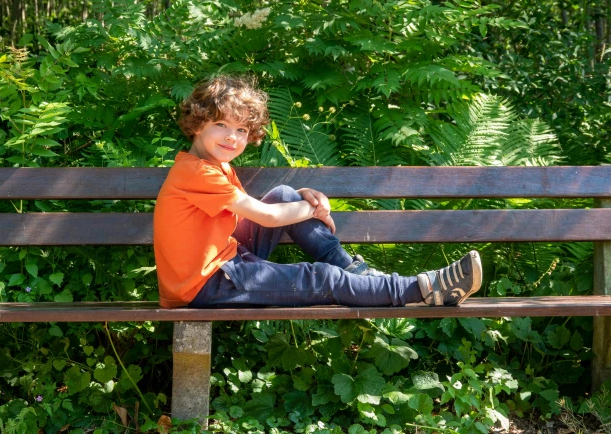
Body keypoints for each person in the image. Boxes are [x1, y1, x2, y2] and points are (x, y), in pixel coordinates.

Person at [153, 75, 482, 309]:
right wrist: (314, 208)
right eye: (221, 125)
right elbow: (268, 217)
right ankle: (422, 289)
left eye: (241, 130)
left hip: (226, 262)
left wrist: (300, 196)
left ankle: (355, 271)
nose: (233, 138)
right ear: (197, 124)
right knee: (322, 279)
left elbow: (246, 217)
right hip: (204, 285)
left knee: (284, 193)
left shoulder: (214, 166)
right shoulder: (195, 172)